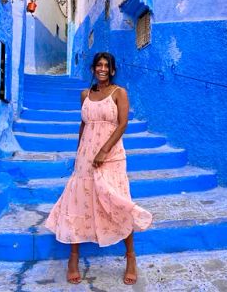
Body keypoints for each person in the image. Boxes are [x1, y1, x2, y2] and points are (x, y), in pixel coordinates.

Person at [44, 52, 152, 285]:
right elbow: (83, 126)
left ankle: (130, 257)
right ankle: (73, 258)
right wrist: (78, 155)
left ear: (112, 70)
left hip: (111, 156)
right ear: (93, 69)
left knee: (117, 202)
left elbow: (122, 124)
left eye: (107, 66)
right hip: (85, 158)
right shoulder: (85, 94)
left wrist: (103, 151)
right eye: (98, 65)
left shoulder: (119, 93)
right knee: (78, 202)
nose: (102, 69)